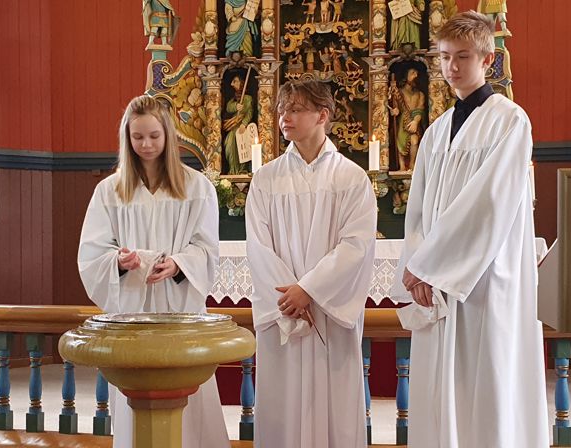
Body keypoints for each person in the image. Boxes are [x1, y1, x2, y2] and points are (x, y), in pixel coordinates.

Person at [391, 11, 549, 447]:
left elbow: (488, 205)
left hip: (483, 280)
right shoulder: (436, 132)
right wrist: (418, 266)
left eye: (463, 56)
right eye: (444, 57)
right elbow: (418, 210)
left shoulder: (509, 121)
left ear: (488, 58)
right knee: (441, 385)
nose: (452, 67)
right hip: (436, 282)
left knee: (485, 379)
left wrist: (431, 266)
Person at [77, 95, 228, 448]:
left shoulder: (197, 187)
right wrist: (118, 261)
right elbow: (92, 253)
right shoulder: (110, 191)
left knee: (191, 410)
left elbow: (207, 248)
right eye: (137, 137)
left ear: (169, 137)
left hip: (180, 310)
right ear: (126, 138)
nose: (146, 145)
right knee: (136, 408)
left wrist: (178, 264)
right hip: (133, 309)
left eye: (154, 136)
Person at [246, 79, 377, 448]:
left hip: (326, 315)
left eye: (296, 109)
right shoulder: (266, 179)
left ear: (323, 115)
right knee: (282, 407)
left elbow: (356, 244)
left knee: (333, 406)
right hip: (285, 312)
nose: (284, 117)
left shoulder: (351, 178)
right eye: (282, 109)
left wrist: (310, 290)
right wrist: (290, 297)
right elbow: (257, 245)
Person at [390, 68, 425, 171]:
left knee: (414, 140)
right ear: (406, 77)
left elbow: (420, 109)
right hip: (401, 122)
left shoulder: (420, 94)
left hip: (413, 120)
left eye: (417, 73)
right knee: (400, 142)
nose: (416, 76)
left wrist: (415, 121)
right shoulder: (399, 92)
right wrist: (394, 111)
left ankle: (412, 164)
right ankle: (401, 166)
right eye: (413, 73)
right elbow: (394, 105)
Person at [223, 75, 254, 174]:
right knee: (229, 144)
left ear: (241, 83)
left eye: (235, 81)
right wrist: (236, 106)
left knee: (243, 147)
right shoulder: (233, 100)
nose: (233, 84)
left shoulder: (248, 98)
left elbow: (249, 112)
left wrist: (244, 124)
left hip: (243, 128)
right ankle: (233, 169)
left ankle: (242, 169)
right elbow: (228, 108)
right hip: (233, 127)